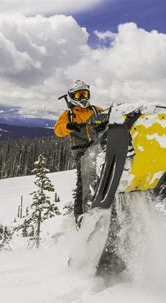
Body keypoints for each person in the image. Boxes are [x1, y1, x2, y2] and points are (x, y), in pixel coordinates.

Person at [54, 80, 103, 227]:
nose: (82, 98)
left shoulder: (96, 110)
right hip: (80, 151)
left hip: (98, 147)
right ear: (72, 96)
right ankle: (80, 216)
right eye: (79, 94)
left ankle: (103, 204)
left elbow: (111, 118)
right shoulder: (69, 114)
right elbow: (58, 130)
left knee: (103, 175)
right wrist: (68, 126)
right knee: (85, 179)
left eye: (85, 94)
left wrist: (105, 124)